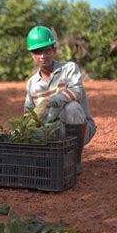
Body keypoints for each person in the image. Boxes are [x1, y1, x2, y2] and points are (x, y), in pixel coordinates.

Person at [24, 26, 96, 174]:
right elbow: (28, 114)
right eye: (38, 52)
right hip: (50, 132)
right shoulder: (32, 83)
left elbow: (77, 91)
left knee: (72, 108)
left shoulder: (69, 68)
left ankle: (74, 162)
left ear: (54, 50)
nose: (43, 56)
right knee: (26, 132)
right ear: (32, 55)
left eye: (47, 50)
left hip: (78, 128)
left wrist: (49, 102)